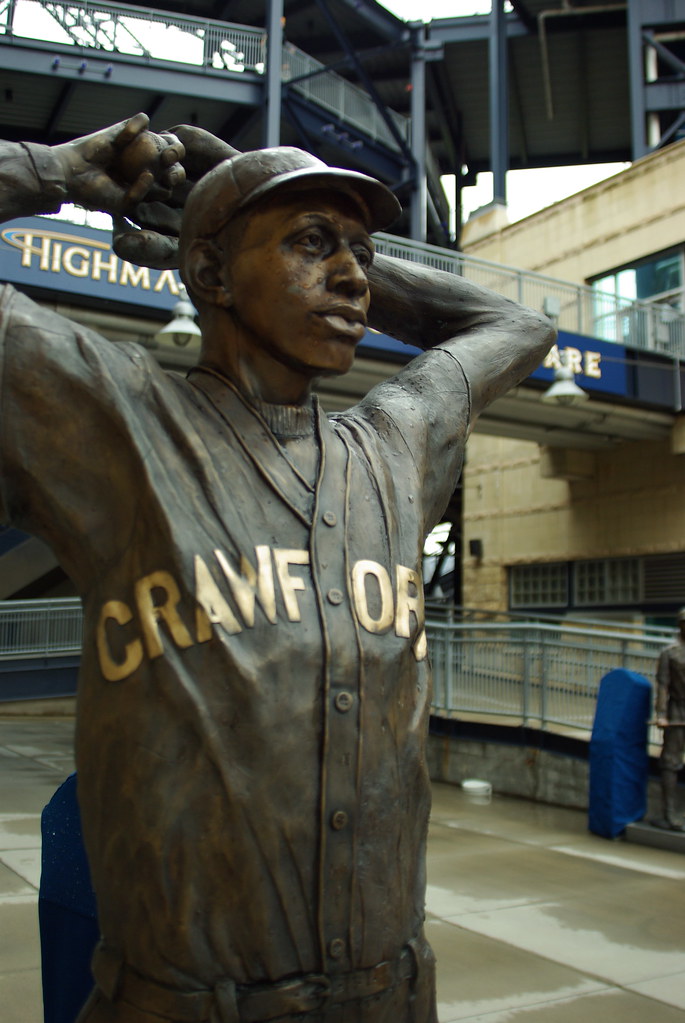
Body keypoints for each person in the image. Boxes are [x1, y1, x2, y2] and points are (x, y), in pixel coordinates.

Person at [0, 114, 555, 1023]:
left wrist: (315, 221)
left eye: (362, 254)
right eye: (309, 244)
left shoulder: (395, 443)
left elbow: (520, 322)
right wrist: (54, 172)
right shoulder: (114, 418)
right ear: (211, 275)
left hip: (391, 999)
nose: (352, 278)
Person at [653, 608, 685, 831]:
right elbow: (663, 686)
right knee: (670, 762)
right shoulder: (670, 653)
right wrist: (661, 714)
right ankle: (670, 815)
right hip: (677, 710)